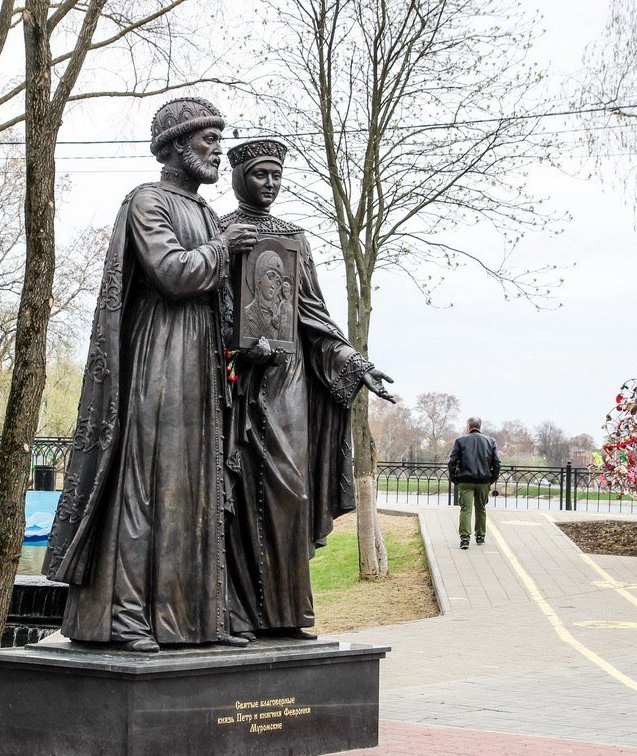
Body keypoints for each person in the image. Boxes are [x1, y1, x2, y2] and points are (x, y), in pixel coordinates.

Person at [42, 97, 260, 653]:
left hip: (203, 367)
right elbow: (171, 273)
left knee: (196, 488)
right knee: (148, 486)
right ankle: (126, 617)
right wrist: (222, 249)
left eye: (219, 139)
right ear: (176, 146)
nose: (217, 150)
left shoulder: (209, 214)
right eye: (208, 140)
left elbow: (223, 297)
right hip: (158, 361)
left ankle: (199, 620)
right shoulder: (147, 201)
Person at [219, 138, 397, 642]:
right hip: (238, 384)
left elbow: (313, 317)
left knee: (290, 493)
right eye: (259, 174)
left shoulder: (295, 238)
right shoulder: (221, 232)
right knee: (236, 496)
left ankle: (285, 613)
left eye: (276, 175)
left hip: (289, 384)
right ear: (238, 178)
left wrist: (353, 360)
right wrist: (239, 347)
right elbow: (210, 313)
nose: (269, 184)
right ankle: (239, 615)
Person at [447, 416, 502, 549]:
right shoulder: (491, 441)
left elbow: (452, 461)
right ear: (480, 426)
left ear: (469, 427)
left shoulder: (460, 441)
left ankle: (465, 539)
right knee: (481, 508)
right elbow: (497, 463)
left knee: (466, 509)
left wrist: (454, 478)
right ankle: (480, 536)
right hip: (483, 480)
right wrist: (491, 479)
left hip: (465, 480)